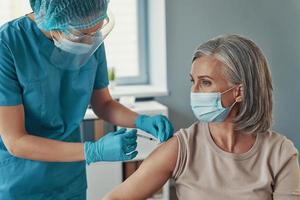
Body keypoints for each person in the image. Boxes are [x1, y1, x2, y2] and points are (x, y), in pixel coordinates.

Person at [0, 0, 174, 199]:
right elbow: (16, 141)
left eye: (95, 32)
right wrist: (94, 151)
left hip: (70, 177)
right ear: (54, 23)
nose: (89, 42)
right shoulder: (8, 44)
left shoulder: (90, 39)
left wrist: (141, 121)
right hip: (21, 181)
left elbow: (104, 104)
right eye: (82, 35)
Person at [103, 34, 300, 200]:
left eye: (205, 83)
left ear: (239, 92)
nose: (194, 91)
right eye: (193, 81)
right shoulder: (181, 148)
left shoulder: (280, 153)